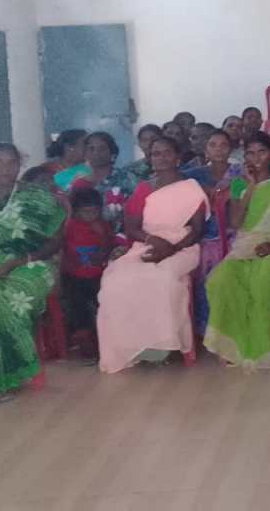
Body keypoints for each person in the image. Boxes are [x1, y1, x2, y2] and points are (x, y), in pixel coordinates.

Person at [97, 137, 208, 373]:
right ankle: (131, 347)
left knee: (162, 278)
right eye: (156, 153)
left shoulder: (191, 188)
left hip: (183, 246)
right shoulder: (143, 188)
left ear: (178, 157)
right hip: (146, 243)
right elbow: (132, 227)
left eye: (167, 152)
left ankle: (162, 348)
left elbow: (197, 231)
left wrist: (171, 248)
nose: (162, 157)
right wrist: (153, 241)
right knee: (116, 281)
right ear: (150, 159)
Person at [0, 144, 65, 399]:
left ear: (20, 166)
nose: (4, 169)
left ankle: (10, 374)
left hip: (31, 264)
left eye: (11, 162)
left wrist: (16, 262)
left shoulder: (38, 198)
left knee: (2, 298)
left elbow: (55, 242)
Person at [204, 133, 270, 370]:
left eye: (262, 152)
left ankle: (262, 350)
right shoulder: (239, 185)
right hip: (244, 246)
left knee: (261, 281)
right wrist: (250, 187)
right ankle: (233, 346)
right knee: (219, 280)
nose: (256, 158)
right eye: (250, 153)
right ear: (244, 157)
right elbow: (236, 223)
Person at [183, 129, 243, 334]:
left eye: (223, 145)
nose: (218, 149)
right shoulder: (192, 175)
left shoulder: (239, 173)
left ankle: (233, 324)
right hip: (202, 235)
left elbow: (240, 205)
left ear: (231, 149)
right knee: (204, 264)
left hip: (233, 232)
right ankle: (208, 327)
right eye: (213, 145)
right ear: (205, 150)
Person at [61, 187, 116, 360]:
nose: (91, 215)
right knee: (78, 306)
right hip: (74, 275)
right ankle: (84, 340)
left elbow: (109, 244)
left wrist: (103, 240)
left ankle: (106, 337)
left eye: (95, 211)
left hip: (98, 274)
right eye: (86, 212)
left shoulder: (103, 225)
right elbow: (62, 248)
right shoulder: (69, 226)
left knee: (105, 301)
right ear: (75, 212)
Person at [55, 132, 139, 237]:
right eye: (91, 149)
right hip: (83, 239)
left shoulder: (127, 179)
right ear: (85, 153)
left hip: (122, 239)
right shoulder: (76, 182)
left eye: (102, 148)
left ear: (112, 152)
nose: (96, 153)